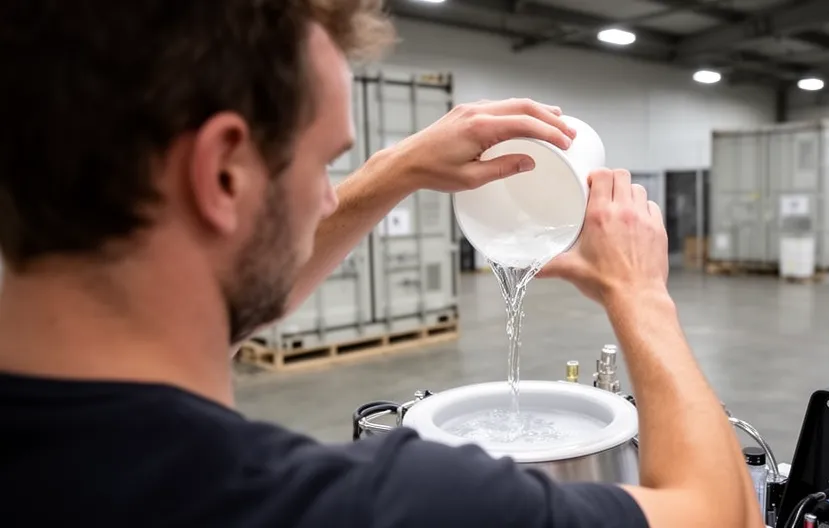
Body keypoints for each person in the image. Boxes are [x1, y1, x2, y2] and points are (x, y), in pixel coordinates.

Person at [0, 1, 762, 527]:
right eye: (326, 163)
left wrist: (397, 169)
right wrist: (640, 292)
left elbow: (207, 307)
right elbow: (719, 513)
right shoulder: (382, 508)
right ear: (224, 174)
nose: (330, 198)